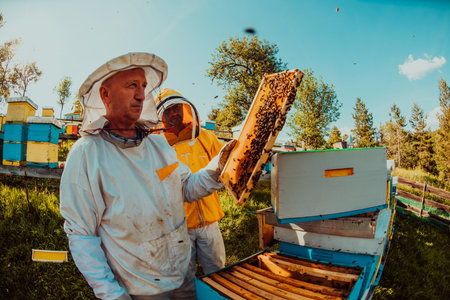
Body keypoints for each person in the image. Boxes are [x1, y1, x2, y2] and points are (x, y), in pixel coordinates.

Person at [59, 53, 235, 300]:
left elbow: (187, 188)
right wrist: (111, 294)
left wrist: (218, 166)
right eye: (131, 85)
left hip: (182, 277)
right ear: (105, 94)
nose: (141, 94)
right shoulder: (87, 153)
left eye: (143, 86)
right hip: (139, 289)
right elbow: (82, 234)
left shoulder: (158, 145)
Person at [155, 88, 226, 275]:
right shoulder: (157, 148)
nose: (173, 114)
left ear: (184, 108)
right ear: (159, 116)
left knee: (217, 271)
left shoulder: (205, 137)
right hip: (178, 227)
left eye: (176, 108)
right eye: (167, 111)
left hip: (209, 222)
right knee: (184, 277)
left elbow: (226, 162)